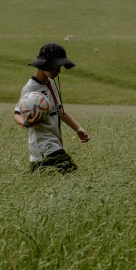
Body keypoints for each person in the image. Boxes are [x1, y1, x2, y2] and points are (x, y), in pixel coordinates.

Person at [14, 42, 90, 173]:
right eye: (56, 67)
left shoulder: (52, 83)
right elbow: (17, 113)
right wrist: (26, 123)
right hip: (44, 145)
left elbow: (60, 111)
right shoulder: (30, 88)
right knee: (73, 174)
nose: (58, 71)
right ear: (45, 65)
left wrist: (78, 128)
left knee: (39, 183)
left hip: (52, 143)